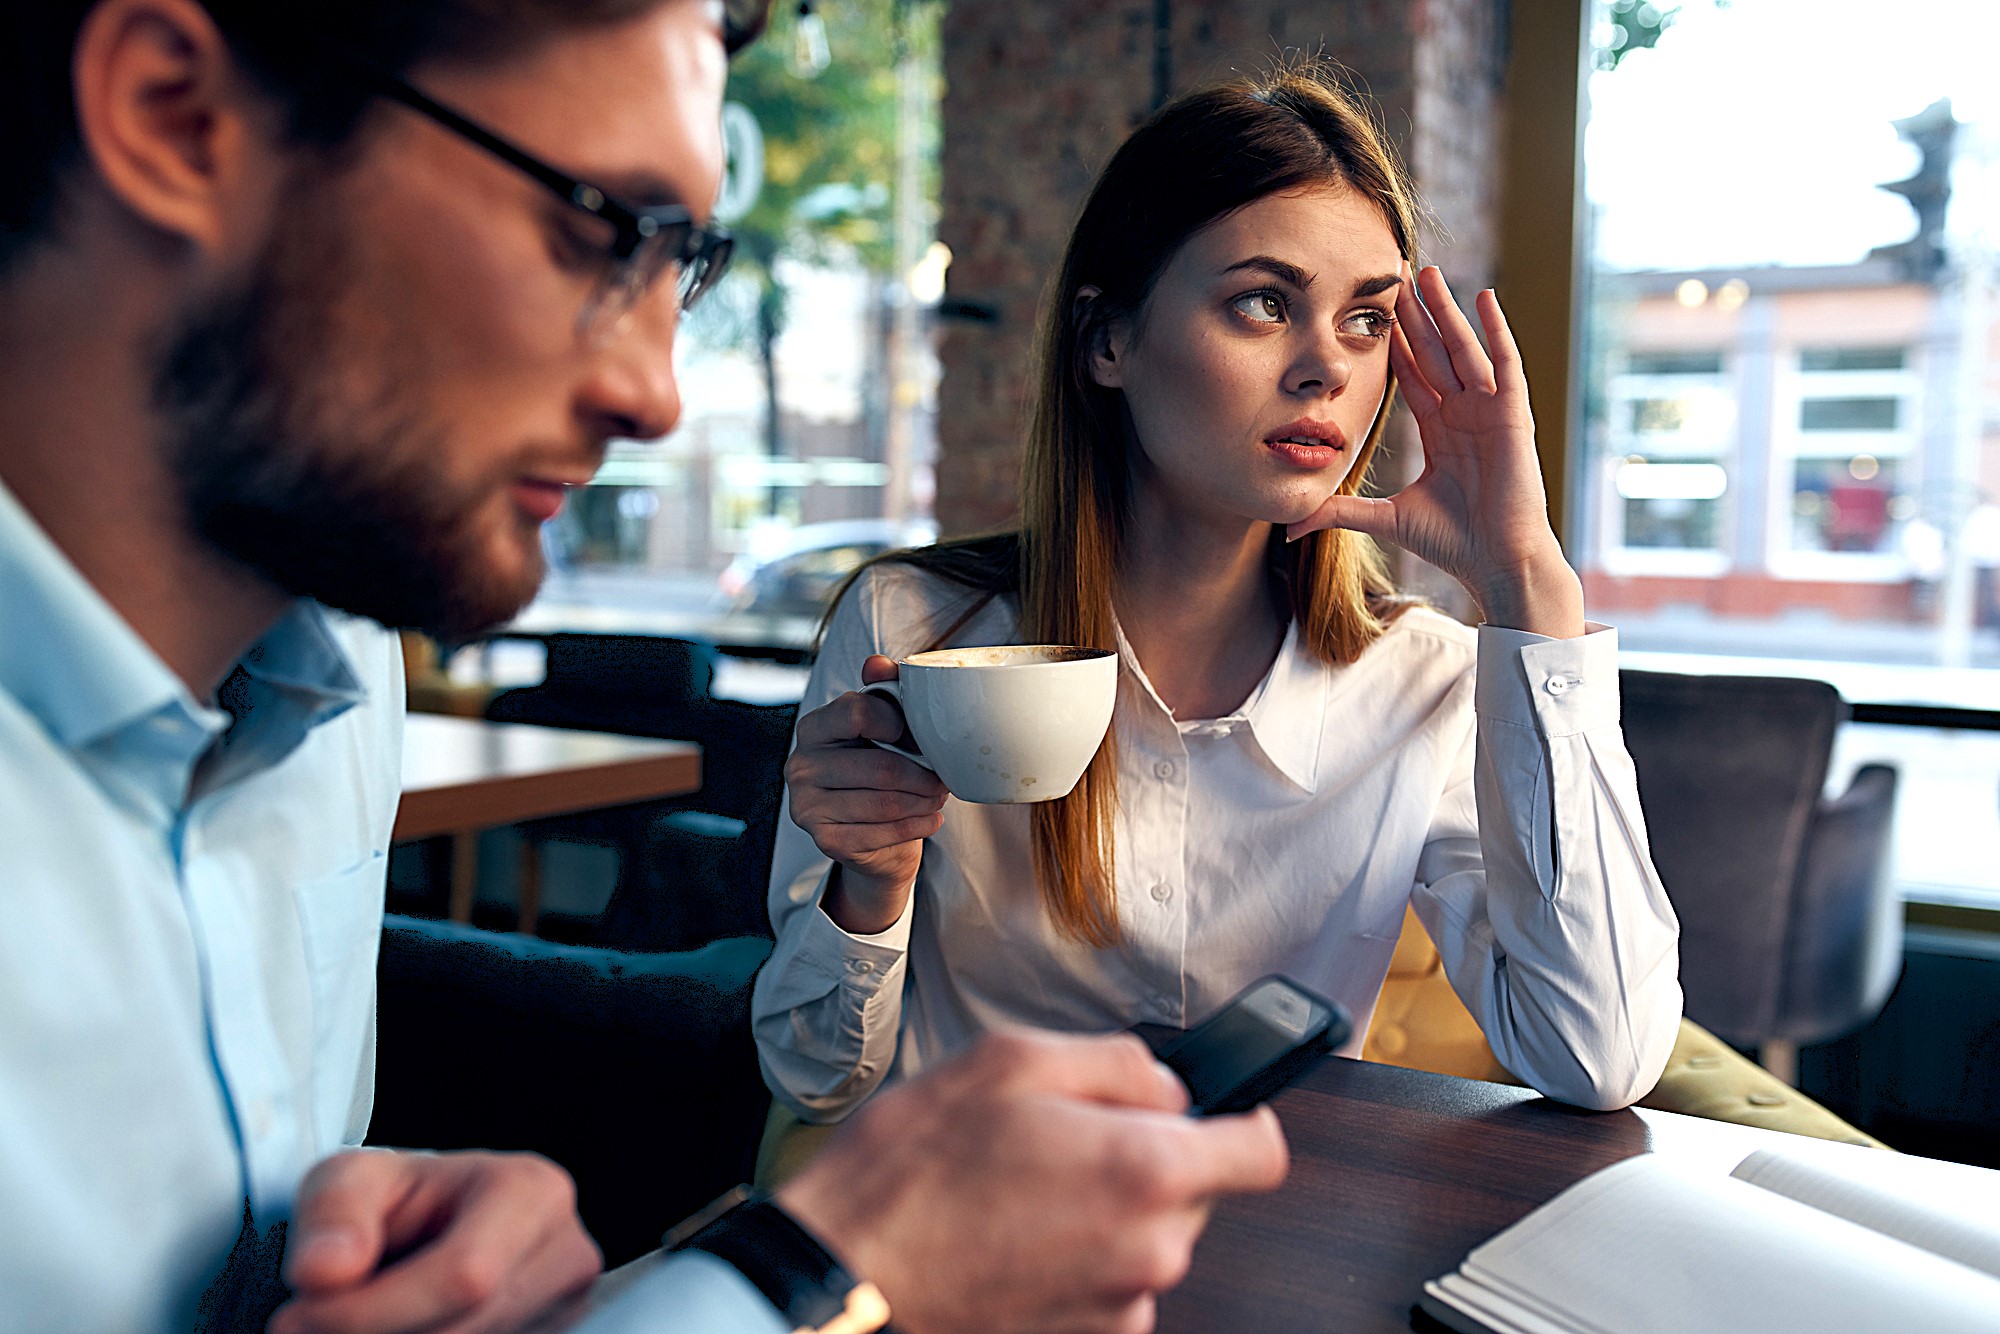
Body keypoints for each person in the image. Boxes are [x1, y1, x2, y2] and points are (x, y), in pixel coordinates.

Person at [0, 2, 1287, 1332]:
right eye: (601, 228)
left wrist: (395, 1251)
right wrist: (793, 1274)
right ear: (175, 120)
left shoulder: (337, 680)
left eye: (690, 266)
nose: (658, 392)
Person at [755, 68, 1683, 1138]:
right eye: (1262, 302)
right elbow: (812, 1077)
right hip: (979, 1243)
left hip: (1276, 1255)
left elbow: (1598, 1051)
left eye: (1365, 318)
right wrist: (866, 888)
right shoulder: (913, 631)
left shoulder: (1419, 680)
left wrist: (1527, 577)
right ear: (1108, 342)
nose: (1325, 369)